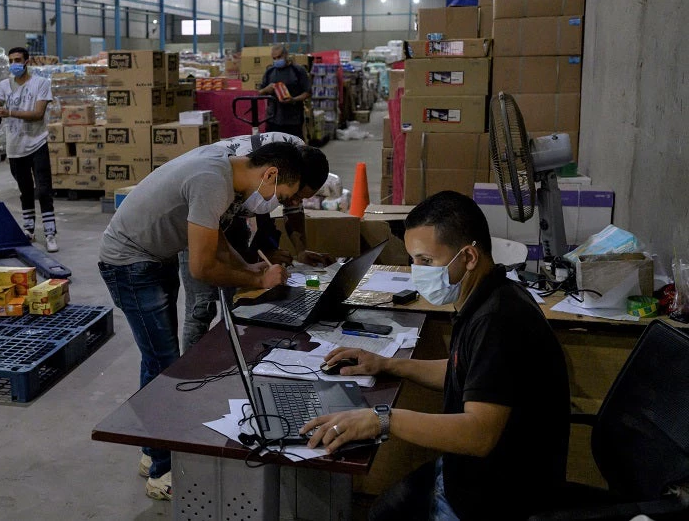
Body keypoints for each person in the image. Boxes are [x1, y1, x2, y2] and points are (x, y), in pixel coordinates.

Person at [302, 191, 571, 521]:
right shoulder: (489, 294)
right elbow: (466, 372)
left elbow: (479, 434)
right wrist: (387, 364)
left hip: (497, 495)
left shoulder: (499, 322)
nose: (417, 272)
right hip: (474, 473)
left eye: (426, 261)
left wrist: (382, 419)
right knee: (383, 512)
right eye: (414, 260)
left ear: (469, 256)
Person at [98, 142, 306, 501]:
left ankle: (151, 452)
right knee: (166, 369)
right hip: (130, 264)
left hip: (150, 256)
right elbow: (202, 267)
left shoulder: (224, 170)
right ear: (270, 174)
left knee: (156, 360)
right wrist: (257, 281)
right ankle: (162, 471)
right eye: (281, 195)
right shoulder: (213, 180)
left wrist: (247, 266)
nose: (276, 202)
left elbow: (217, 238)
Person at [178, 132, 333, 352]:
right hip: (201, 218)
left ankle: (231, 356)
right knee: (200, 306)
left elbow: (293, 208)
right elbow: (206, 256)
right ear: (274, 175)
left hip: (232, 217)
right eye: (294, 195)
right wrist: (253, 270)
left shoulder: (299, 159)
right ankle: (190, 369)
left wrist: (300, 251)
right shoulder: (240, 168)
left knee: (238, 300)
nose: (295, 202)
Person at [0, 47, 58, 253]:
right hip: (15, 147)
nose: (14, 65)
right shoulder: (4, 85)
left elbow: (38, 114)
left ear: (27, 61)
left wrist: (9, 112)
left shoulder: (41, 84)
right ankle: (28, 229)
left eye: (18, 60)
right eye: (11, 61)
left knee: (44, 189)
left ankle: (50, 232)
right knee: (25, 190)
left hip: (37, 143)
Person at [257, 43, 311, 139]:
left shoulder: (298, 71)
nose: (277, 60)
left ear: (286, 55)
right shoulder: (270, 72)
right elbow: (259, 92)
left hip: (293, 119)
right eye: (274, 58)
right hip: (273, 118)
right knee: (274, 147)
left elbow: (307, 93)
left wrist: (293, 99)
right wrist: (266, 89)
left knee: (294, 146)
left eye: (279, 57)